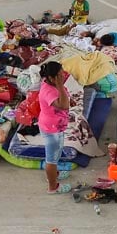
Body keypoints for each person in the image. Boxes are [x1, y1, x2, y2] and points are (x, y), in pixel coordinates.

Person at [37, 61, 70, 195]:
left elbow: (63, 101)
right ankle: (53, 187)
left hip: (55, 126)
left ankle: (54, 174)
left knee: (56, 154)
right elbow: (63, 105)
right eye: (60, 75)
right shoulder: (49, 90)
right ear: (51, 78)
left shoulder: (50, 84)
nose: (63, 76)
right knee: (51, 159)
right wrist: (60, 85)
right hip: (51, 129)